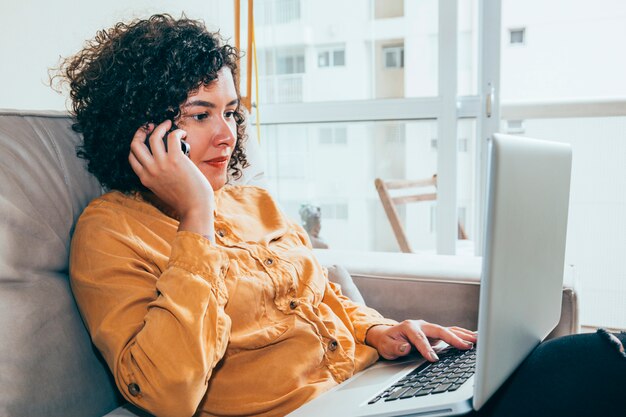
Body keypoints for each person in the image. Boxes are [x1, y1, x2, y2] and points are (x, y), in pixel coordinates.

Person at [59, 14, 476, 417]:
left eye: (230, 112)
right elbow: (169, 393)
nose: (228, 135)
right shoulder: (110, 231)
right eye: (201, 115)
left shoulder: (256, 203)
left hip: (367, 386)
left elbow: (319, 295)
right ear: (143, 128)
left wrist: (377, 330)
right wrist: (196, 213)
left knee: (533, 366)